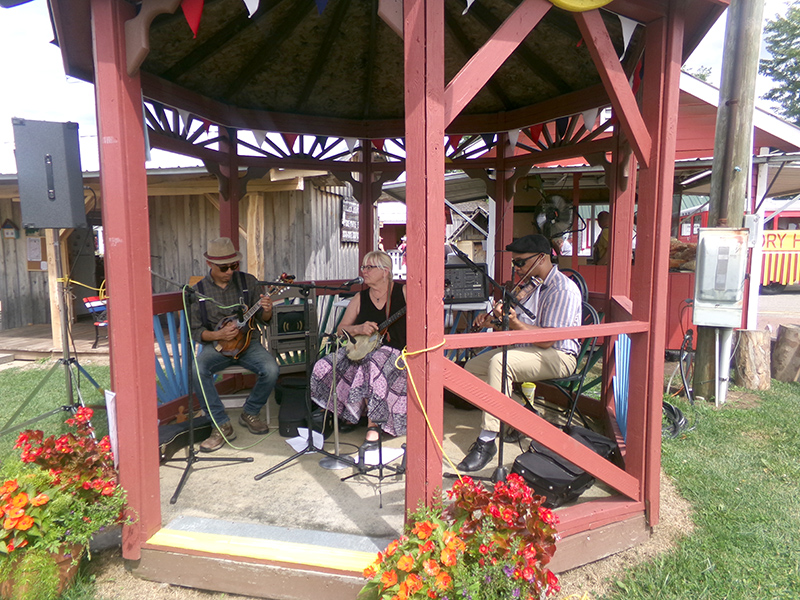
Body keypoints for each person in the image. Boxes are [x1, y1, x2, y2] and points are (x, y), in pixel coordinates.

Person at [456, 234, 583, 472]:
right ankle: (522, 414)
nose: (516, 268)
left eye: (521, 262)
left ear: (542, 258)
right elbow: (513, 323)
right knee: (470, 370)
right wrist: (491, 321)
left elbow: (547, 340)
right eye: (515, 263)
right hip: (526, 349)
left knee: (500, 362)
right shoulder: (528, 286)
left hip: (558, 355)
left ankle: (487, 439)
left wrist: (513, 323)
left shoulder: (562, 289)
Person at [189, 237, 280, 452]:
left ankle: (250, 411)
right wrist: (218, 334)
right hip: (218, 346)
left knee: (271, 369)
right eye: (224, 267)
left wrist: (266, 310)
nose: (230, 271)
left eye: (234, 265)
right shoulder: (197, 291)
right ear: (210, 264)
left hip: (249, 343)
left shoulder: (248, 282)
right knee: (197, 369)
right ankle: (221, 425)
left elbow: (263, 320)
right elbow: (196, 331)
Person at [310, 251, 407, 450]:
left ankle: (374, 425)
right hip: (362, 349)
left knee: (372, 363)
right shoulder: (360, 297)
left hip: (395, 354)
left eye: (369, 267)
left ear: (385, 271)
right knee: (324, 364)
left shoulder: (404, 292)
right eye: (363, 267)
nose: (364, 271)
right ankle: (332, 413)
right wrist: (358, 328)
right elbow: (340, 330)